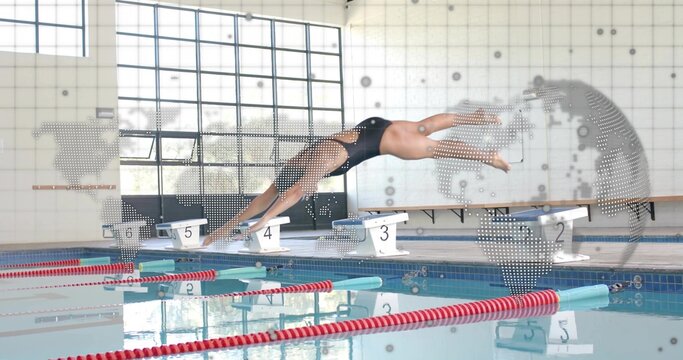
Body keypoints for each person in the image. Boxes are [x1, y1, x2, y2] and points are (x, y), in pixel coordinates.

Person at [203, 110, 510, 246]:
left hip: (383, 140)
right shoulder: (295, 162)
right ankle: (477, 117)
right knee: (423, 127)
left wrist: (262, 222)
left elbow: (295, 193)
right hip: (374, 126)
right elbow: (267, 196)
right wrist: (225, 228)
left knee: (433, 148)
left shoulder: (319, 161)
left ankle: (489, 156)